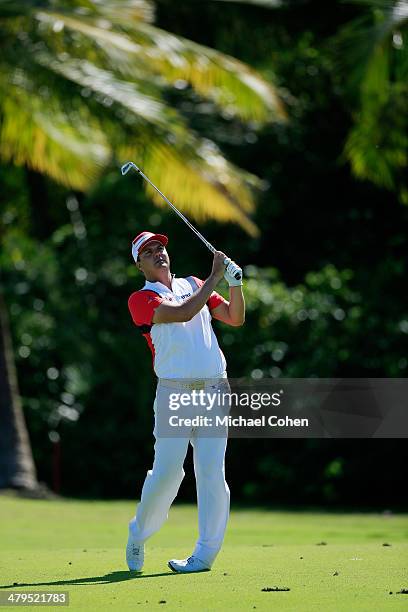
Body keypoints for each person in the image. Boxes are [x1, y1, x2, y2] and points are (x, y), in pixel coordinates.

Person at [126, 230, 245, 573]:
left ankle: (204, 554)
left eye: (160, 247)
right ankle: (139, 533)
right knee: (167, 473)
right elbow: (181, 313)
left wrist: (235, 284)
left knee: (211, 473)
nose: (157, 253)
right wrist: (215, 277)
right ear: (139, 264)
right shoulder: (141, 299)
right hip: (174, 393)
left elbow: (235, 318)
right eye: (148, 252)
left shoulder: (193, 283)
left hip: (214, 389)